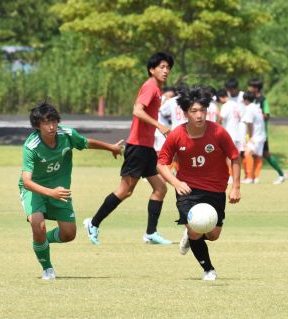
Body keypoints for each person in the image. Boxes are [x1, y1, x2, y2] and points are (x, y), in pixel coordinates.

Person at [19, 102, 123, 280]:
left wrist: (111, 147)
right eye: (46, 123)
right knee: (38, 224)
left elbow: (86, 143)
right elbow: (27, 182)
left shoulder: (66, 135)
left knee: (69, 234)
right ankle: (47, 268)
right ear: (37, 126)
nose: (51, 126)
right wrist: (50, 193)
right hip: (35, 189)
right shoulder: (31, 146)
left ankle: (40, 241)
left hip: (60, 191)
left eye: (54, 121)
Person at [83, 52, 174, 245]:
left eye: (168, 68)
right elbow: (137, 110)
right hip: (138, 147)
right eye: (162, 67)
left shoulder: (156, 89)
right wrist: (159, 126)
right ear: (152, 69)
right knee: (125, 191)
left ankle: (150, 233)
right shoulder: (150, 87)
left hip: (146, 147)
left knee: (160, 188)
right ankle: (93, 222)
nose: (166, 71)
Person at [157, 86, 241, 281]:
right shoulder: (177, 135)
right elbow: (161, 163)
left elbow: (235, 157)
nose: (199, 115)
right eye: (194, 111)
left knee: (213, 235)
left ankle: (190, 233)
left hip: (215, 190)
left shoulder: (218, 132)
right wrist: (176, 182)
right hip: (188, 190)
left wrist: (236, 186)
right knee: (196, 231)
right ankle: (208, 270)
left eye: (202, 110)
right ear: (185, 113)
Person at [247, 78, 287, 184]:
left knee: (265, 154)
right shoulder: (250, 99)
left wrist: (257, 114)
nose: (248, 88)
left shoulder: (263, 100)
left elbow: (267, 115)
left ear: (256, 88)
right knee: (257, 154)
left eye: (250, 86)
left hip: (260, 134)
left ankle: (281, 174)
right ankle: (252, 177)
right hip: (253, 134)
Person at [241, 91, 266, 184]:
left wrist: (250, 136)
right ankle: (255, 177)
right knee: (257, 156)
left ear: (246, 100)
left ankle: (250, 177)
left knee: (247, 154)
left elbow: (249, 123)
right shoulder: (257, 107)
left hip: (255, 136)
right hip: (261, 135)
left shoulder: (249, 108)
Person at [154, 86, 176, 153]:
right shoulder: (158, 104)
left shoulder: (173, 105)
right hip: (158, 132)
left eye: (171, 96)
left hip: (166, 132)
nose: (168, 98)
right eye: (166, 96)